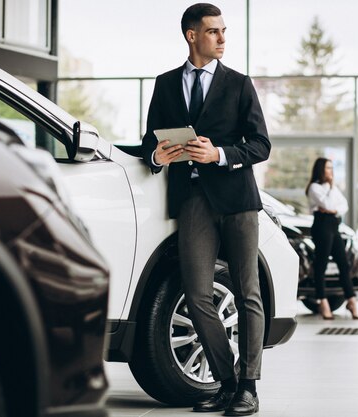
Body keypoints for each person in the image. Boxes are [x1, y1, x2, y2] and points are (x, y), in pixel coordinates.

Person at [141, 3, 270, 415]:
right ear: (191, 35)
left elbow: (261, 145)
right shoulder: (164, 85)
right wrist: (159, 156)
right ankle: (226, 382)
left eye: (224, 31)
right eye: (213, 31)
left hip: (237, 201)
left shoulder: (239, 84)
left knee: (248, 292)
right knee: (197, 294)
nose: (222, 38)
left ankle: (248, 386)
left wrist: (219, 153)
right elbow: (148, 144)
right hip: (193, 201)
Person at [306, 158, 358, 320]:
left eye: (331, 168)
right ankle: (323, 302)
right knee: (321, 265)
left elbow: (343, 206)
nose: (330, 171)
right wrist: (331, 200)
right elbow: (329, 204)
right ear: (320, 170)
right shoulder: (314, 187)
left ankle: (351, 301)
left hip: (333, 225)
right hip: (321, 226)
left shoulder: (332, 188)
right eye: (327, 168)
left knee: (344, 264)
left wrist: (332, 208)